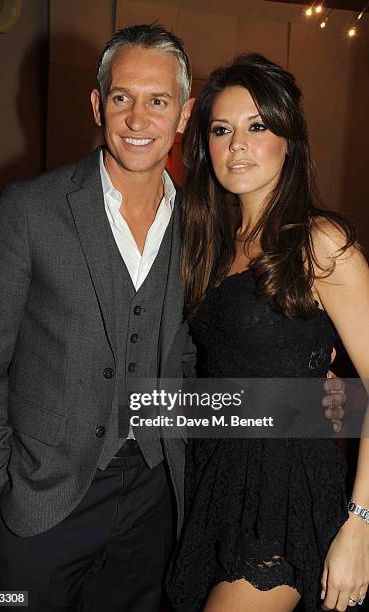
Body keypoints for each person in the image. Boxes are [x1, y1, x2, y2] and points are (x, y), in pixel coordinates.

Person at [0, 25, 344, 611]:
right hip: (37, 507)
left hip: (156, 504)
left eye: (158, 101)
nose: (138, 118)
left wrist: (310, 402)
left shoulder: (205, 230)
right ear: (98, 104)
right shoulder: (27, 211)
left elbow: (204, 362)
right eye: (122, 97)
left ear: (184, 114)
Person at [167, 54, 369, 612]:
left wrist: (361, 527)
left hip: (284, 492)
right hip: (213, 478)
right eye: (222, 129)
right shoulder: (210, 241)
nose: (237, 145)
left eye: (257, 127)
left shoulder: (320, 242)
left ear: (290, 139)